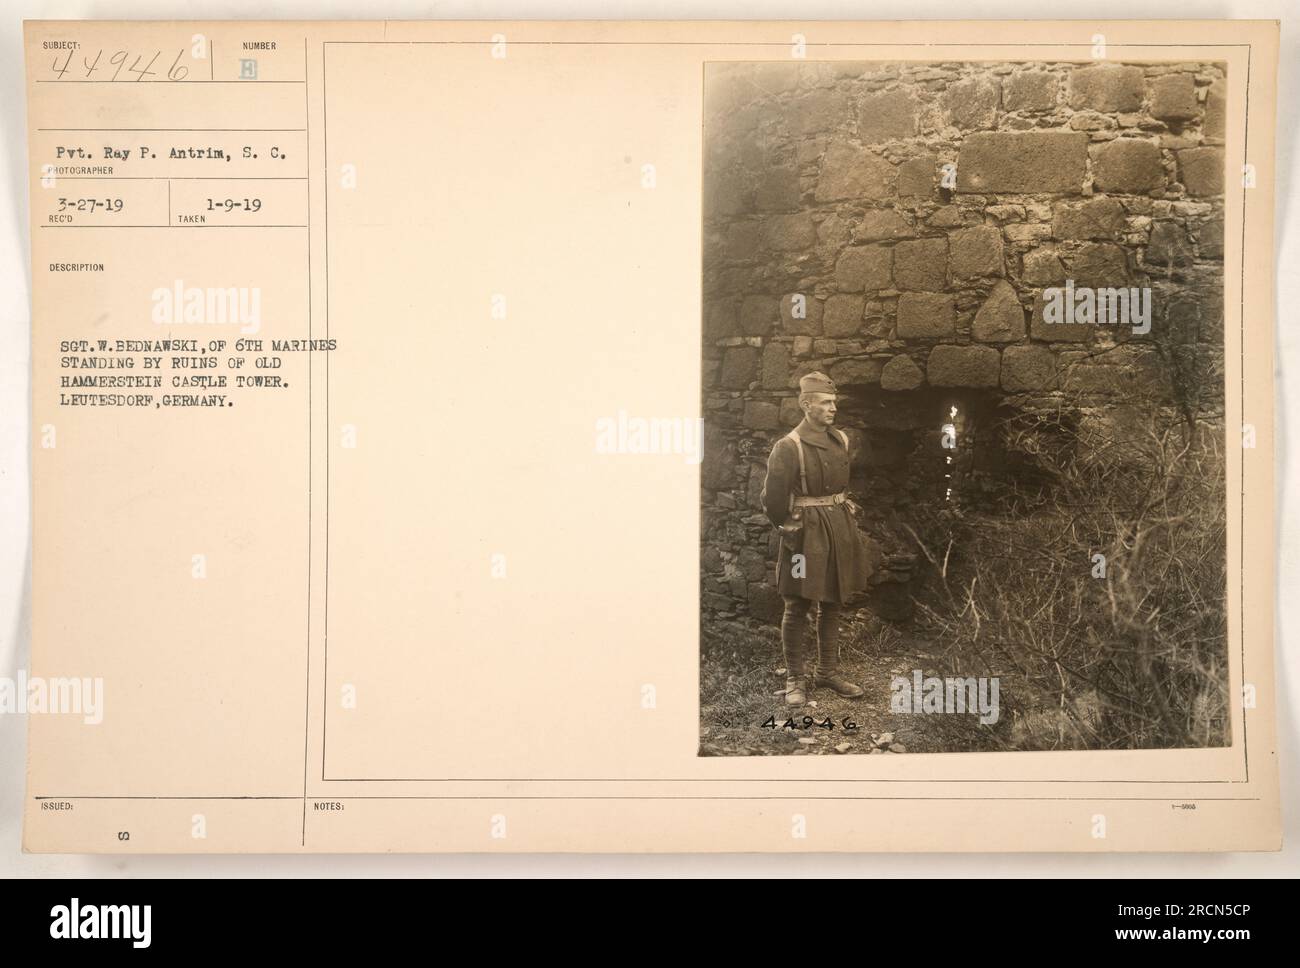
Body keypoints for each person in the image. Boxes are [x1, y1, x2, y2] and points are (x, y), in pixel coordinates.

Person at [760, 371, 872, 706]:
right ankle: (796, 678)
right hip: (803, 538)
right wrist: (791, 528)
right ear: (806, 405)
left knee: (833, 600)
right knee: (796, 604)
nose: (832, 408)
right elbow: (773, 501)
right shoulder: (788, 447)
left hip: (838, 531)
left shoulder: (841, 439)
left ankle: (827, 671)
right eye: (825, 402)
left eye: (834, 402)